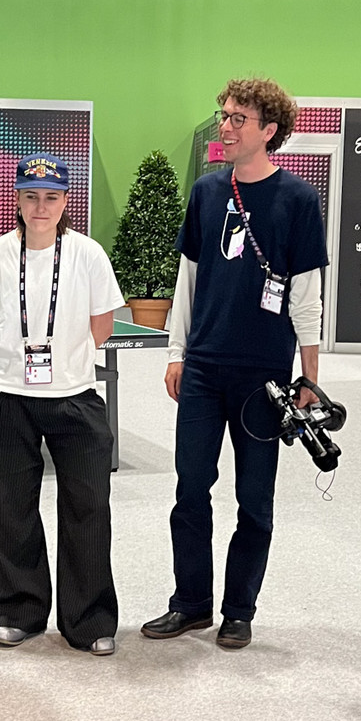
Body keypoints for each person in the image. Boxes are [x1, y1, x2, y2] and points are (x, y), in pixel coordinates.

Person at [142, 77, 328, 651]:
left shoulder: (298, 201)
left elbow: (306, 296)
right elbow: (188, 279)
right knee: (190, 489)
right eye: (224, 115)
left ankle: (239, 610)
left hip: (264, 378)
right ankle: (190, 603)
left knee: (255, 498)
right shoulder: (205, 191)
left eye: (238, 118)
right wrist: (176, 353)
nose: (225, 126)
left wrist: (310, 377)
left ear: (269, 130)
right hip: (202, 368)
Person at [0, 156, 124, 656]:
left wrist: (65, 361)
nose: (40, 206)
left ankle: (89, 620)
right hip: (8, 394)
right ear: (16, 198)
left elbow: (102, 326)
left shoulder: (88, 254)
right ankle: (16, 612)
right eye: (31, 195)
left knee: (88, 507)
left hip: (74, 394)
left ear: (65, 201)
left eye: (51, 197)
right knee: (8, 507)